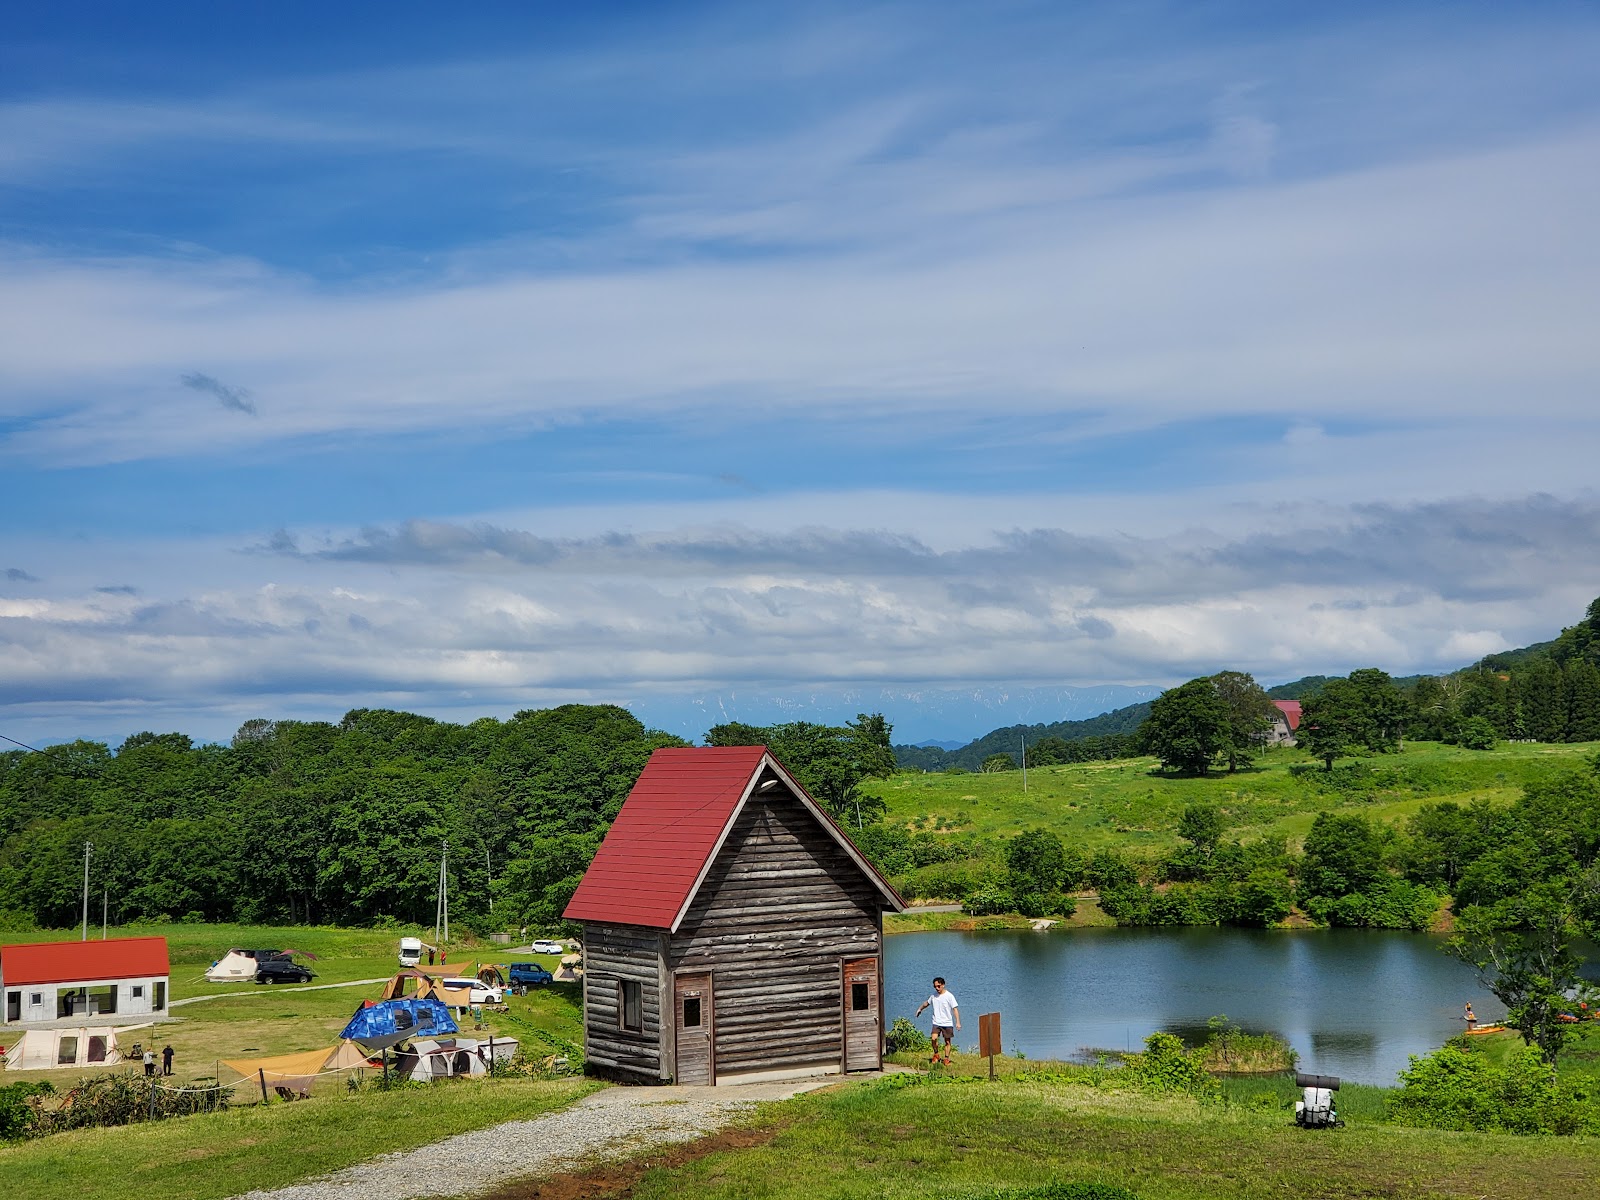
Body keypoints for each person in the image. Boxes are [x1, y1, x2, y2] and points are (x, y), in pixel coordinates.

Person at [915, 977, 960, 1065]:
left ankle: (946, 1059)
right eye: (935, 987)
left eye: (938, 986)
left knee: (947, 1041)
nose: (937, 988)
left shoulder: (949, 996)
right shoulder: (933, 996)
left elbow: (955, 1009)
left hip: (947, 1023)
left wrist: (958, 1022)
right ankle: (936, 1054)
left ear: (943, 985)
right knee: (933, 1038)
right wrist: (920, 1009)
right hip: (936, 1022)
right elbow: (926, 1003)